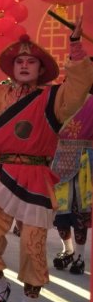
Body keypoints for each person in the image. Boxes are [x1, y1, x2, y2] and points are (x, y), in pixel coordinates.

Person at [0, 28, 93, 302]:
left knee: (33, 247)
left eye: (31, 61)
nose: (24, 65)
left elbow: (79, 85)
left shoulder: (54, 98)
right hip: (2, 174)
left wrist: (75, 48)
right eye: (19, 61)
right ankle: (0, 286)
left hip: (35, 176)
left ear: (40, 69)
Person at [51, 95, 93, 274]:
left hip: (83, 163)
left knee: (79, 213)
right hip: (58, 160)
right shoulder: (60, 97)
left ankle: (80, 257)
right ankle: (68, 249)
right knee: (60, 213)